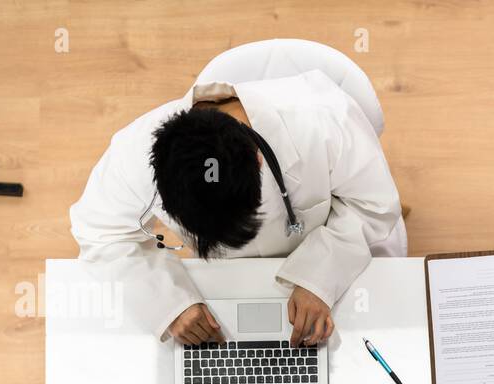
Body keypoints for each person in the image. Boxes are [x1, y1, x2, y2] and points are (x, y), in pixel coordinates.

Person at [70, 39, 404, 347]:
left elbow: (373, 207)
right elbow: (99, 233)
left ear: (257, 160)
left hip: (325, 252)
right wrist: (168, 304)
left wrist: (321, 276)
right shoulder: (133, 153)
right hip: (227, 287)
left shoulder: (324, 120)